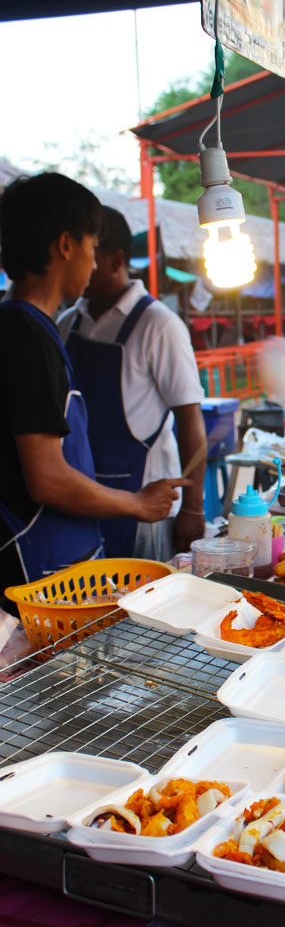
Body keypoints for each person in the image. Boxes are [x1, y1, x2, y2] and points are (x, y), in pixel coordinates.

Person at [0, 174, 187, 611]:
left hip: (57, 562)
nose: (92, 261)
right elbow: (47, 478)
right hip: (35, 572)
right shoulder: (26, 337)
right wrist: (137, 503)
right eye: (91, 245)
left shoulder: (26, 326)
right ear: (66, 245)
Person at [57, 207, 206, 560]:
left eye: (88, 252)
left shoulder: (159, 325)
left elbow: (190, 420)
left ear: (115, 260)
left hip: (146, 507)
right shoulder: (67, 322)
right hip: (82, 498)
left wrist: (192, 508)